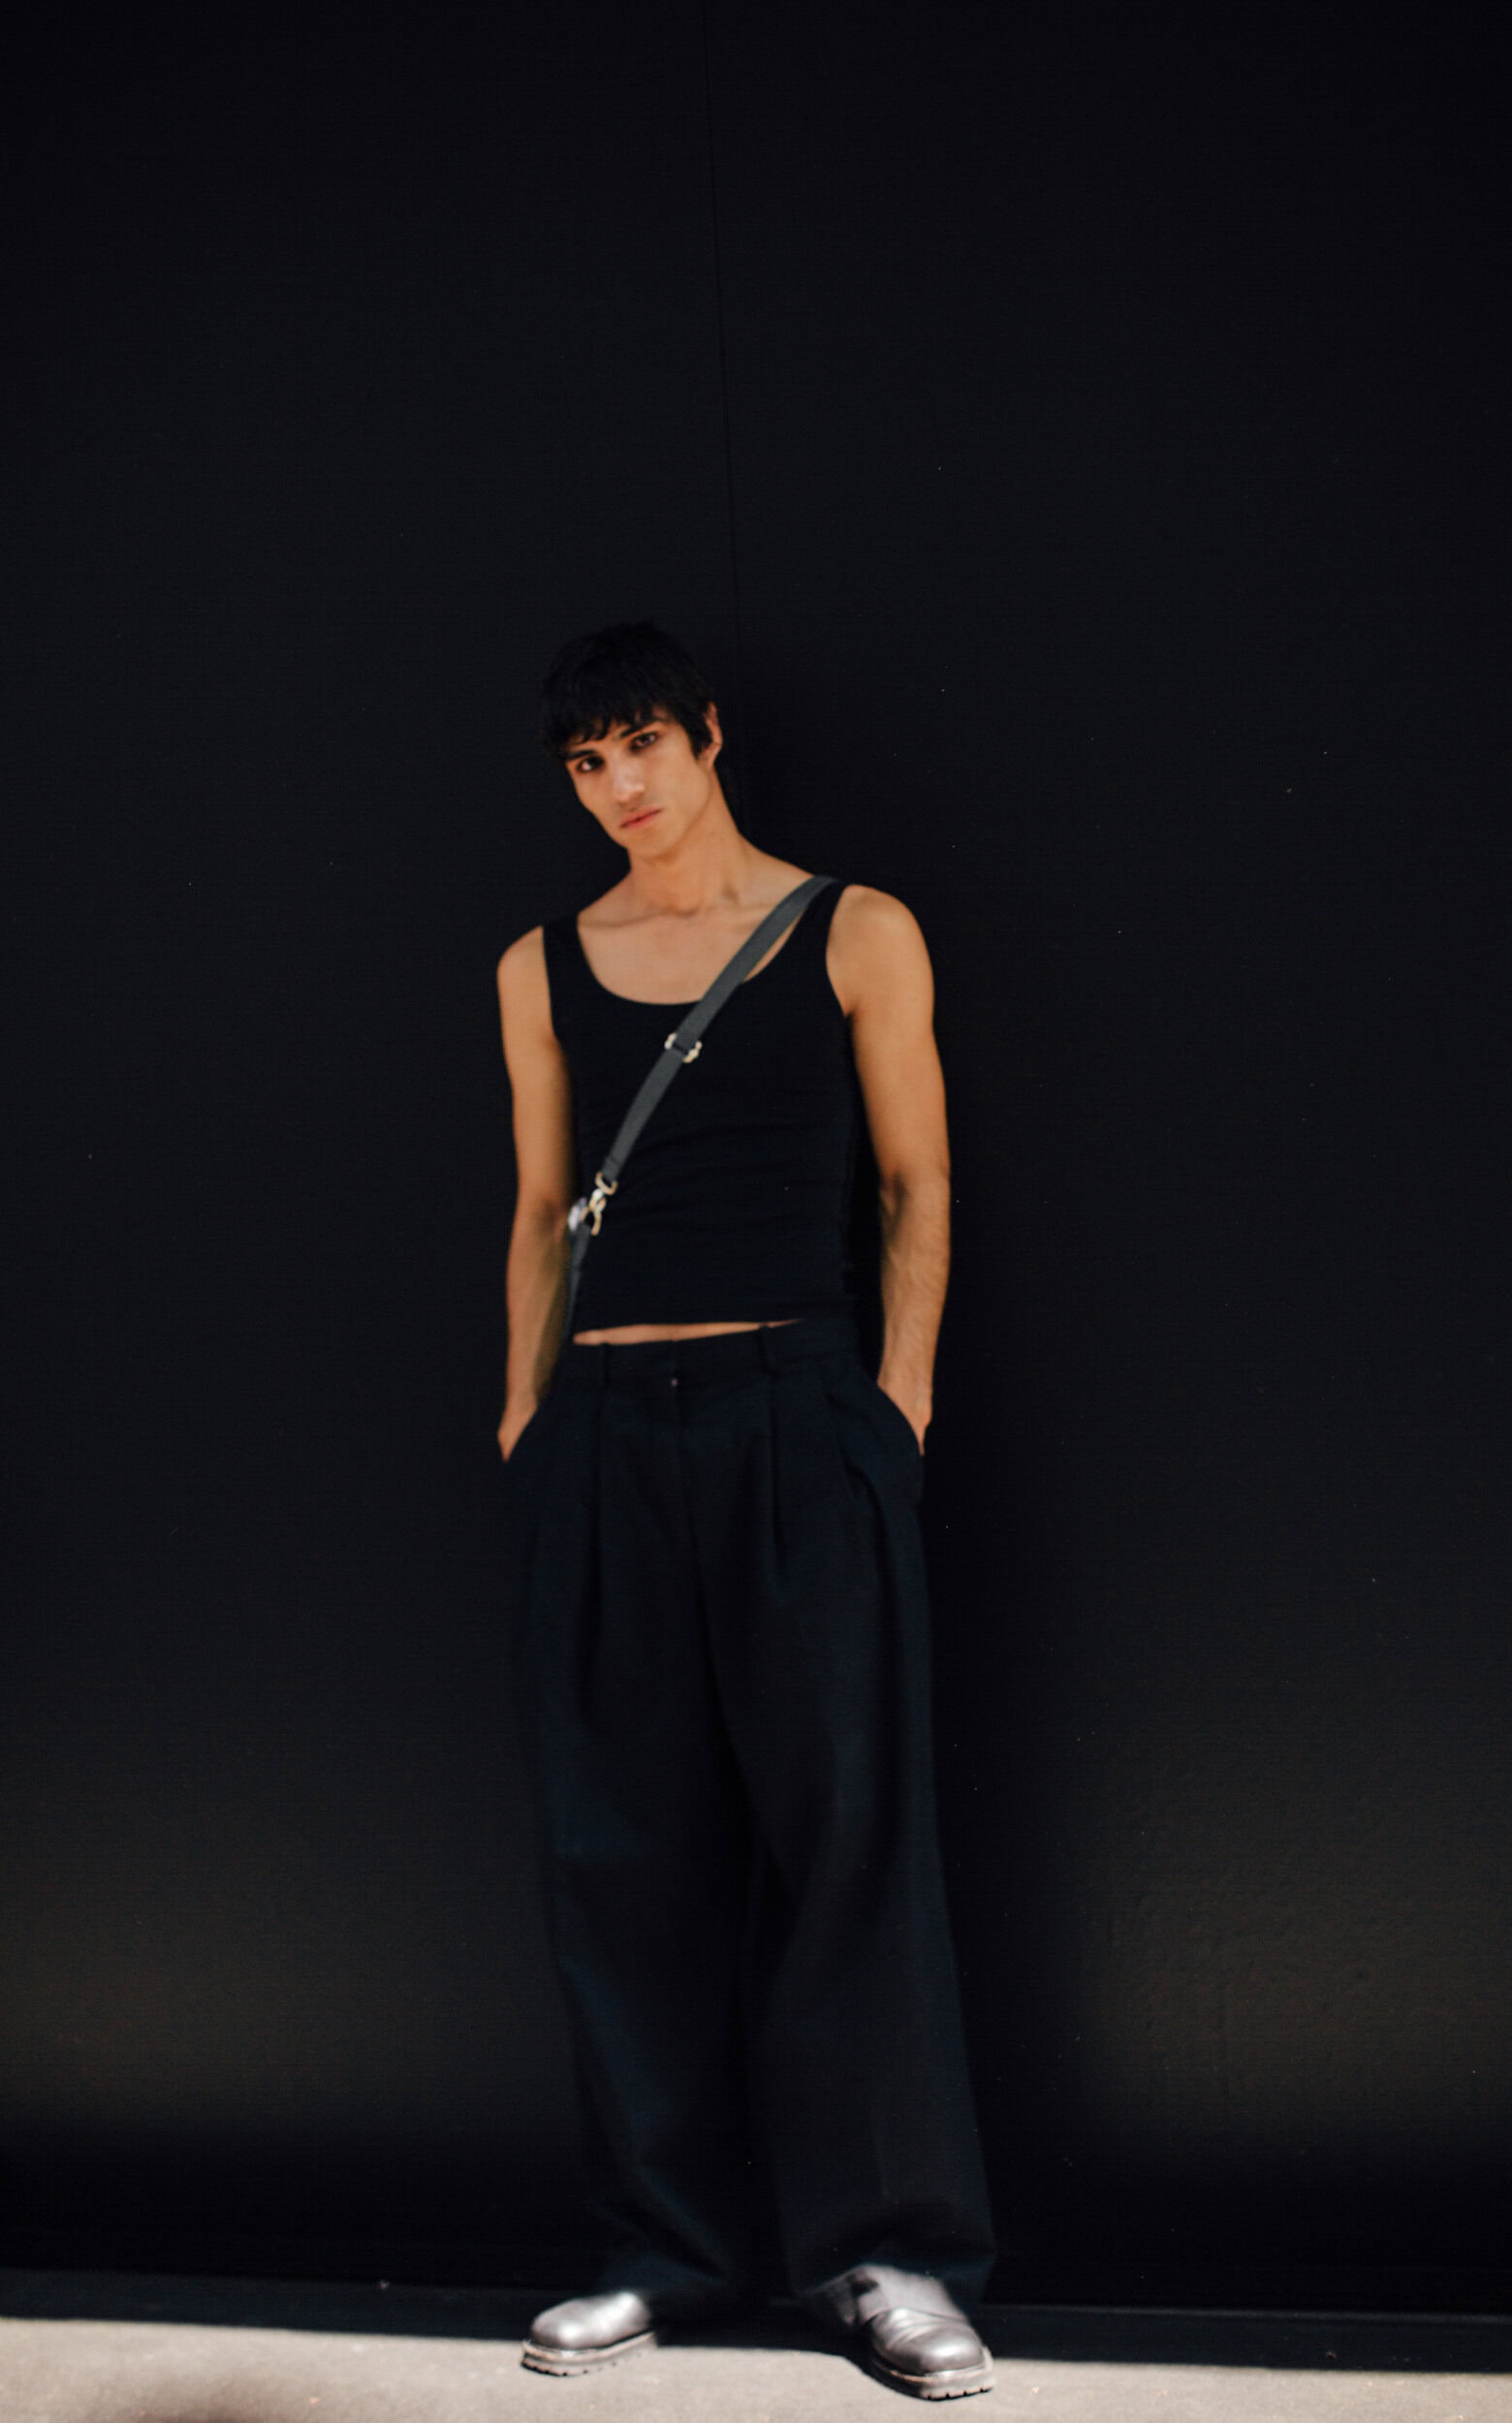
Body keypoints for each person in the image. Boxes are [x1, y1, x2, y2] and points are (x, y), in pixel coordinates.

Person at [496, 621, 995, 2400]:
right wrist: (525, 1418)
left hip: (798, 1408)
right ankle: (667, 2249)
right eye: (587, 764)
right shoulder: (542, 963)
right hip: (606, 1426)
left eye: (642, 744)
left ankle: (888, 2254)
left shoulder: (854, 929)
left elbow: (918, 1178)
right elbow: (542, 1205)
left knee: (846, 1834)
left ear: (707, 737)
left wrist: (897, 1406)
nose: (620, 788)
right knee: (618, 1847)